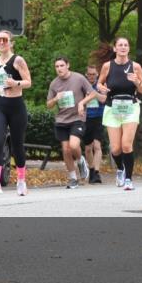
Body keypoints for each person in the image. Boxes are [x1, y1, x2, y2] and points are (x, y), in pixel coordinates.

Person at [0, 30, 31, 195]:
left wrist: (15, 82)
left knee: (17, 145)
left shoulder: (17, 60)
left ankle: (21, 180)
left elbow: (28, 82)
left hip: (16, 107)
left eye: (5, 40)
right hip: (0, 106)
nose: (2, 42)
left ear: (11, 43)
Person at [96, 37, 142, 191]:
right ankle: (120, 169)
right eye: (120, 45)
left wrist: (137, 82)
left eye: (126, 45)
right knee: (115, 149)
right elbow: (99, 83)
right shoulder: (107, 66)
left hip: (130, 107)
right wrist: (101, 88)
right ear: (115, 48)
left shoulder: (135, 66)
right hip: (112, 107)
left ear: (129, 49)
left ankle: (129, 179)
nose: (123, 47)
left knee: (126, 145)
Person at [47, 56, 96, 189]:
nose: (59, 69)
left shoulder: (79, 78)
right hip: (62, 120)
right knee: (66, 150)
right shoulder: (54, 84)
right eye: (57, 66)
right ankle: (73, 178)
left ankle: (81, 161)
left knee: (74, 146)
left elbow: (92, 93)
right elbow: (49, 105)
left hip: (77, 118)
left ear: (68, 65)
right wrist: (56, 99)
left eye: (61, 65)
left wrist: (82, 103)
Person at [81, 62, 107, 184]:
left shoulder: (100, 85)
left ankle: (96, 172)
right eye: (89, 75)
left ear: (97, 75)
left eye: (94, 74)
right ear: (86, 75)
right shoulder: (82, 86)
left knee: (97, 146)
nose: (92, 77)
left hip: (99, 118)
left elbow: (104, 98)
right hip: (86, 119)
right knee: (87, 148)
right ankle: (91, 170)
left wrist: (94, 93)